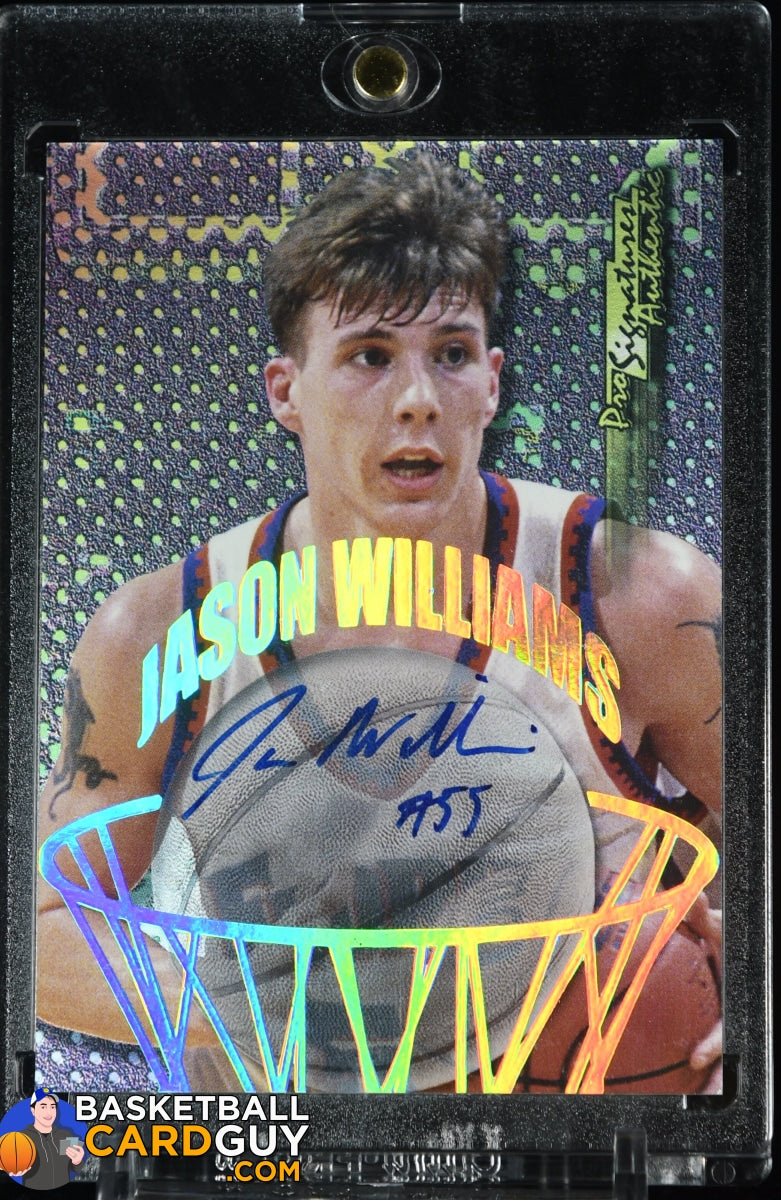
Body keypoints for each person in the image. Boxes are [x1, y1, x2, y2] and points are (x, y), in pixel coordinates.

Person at [37, 152, 722, 1090]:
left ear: (491, 382)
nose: (417, 400)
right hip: (296, 1145)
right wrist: (260, 1002)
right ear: (285, 391)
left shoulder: (638, 595)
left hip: (571, 1135)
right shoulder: (159, 631)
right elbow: (43, 926)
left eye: (451, 354)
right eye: (369, 356)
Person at [13, 1088, 85, 1190]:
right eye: (43, 1107)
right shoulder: (22, 1138)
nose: (49, 1112)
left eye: (52, 1107)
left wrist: (77, 1161)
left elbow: (76, 1169)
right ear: (33, 1110)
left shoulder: (65, 1135)